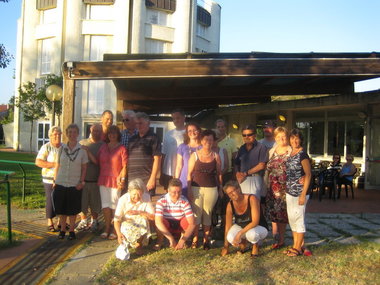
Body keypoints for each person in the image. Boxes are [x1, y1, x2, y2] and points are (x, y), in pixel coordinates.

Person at [187, 129, 223, 250]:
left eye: (211, 139)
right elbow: (189, 174)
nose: (208, 142)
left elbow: (219, 174)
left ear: (213, 141)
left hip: (211, 188)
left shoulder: (216, 156)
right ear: (201, 141)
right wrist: (189, 189)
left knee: (207, 214)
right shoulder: (195, 155)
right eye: (206, 139)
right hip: (196, 188)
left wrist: (221, 188)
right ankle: (195, 238)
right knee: (197, 214)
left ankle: (206, 240)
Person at [53, 124, 88, 240]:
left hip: (74, 183)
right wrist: (55, 180)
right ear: (67, 134)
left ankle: (72, 230)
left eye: (74, 132)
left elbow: (84, 168)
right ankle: (62, 230)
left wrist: (82, 182)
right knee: (62, 209)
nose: (72, 135)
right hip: (61, 182)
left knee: (72, 210)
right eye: (70, 132)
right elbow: (57, 165)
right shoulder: (61, 149)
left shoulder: (82, 151)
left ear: (77, 134)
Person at [221, 181, 268, 257]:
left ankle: (255, 245)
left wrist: (240, 233)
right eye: (229, 193)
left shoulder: (252, 198)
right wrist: (226, 246)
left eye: (233, 191)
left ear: (239, 189)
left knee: (252, 234)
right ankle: (244, 243)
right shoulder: (230, 205)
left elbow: (255, 222)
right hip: (242, 226)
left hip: (258, 226)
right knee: (230, 237)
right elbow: (228, 226)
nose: (232, 194)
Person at [97, 125, 128, 239]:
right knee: (105, 205)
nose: (112, 135)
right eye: (110, 133)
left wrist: (123, 179)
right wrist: (86, 151)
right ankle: (107, 228)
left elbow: (125, 166)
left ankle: (116, 229)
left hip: (116, 180)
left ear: (118, 135)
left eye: (114, 133)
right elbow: (96, 161)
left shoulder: (122, 149)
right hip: (103, 179)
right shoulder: (103, 147)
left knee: (115, 205)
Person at [285, 129, 312, 257]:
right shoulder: (291, 153)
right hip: (289, 192)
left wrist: (303, 194)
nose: (294, 141)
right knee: (292, 220)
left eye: (297, 138)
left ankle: (297, 248)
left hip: (299, 193)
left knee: (299, 219)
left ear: (301, 139)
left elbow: (308, 174)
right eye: (292, 138)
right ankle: (297, 245)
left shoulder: (302, 155)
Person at [265, 127, 291, 249]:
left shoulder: (291, 151)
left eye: (283, 136)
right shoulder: (272, 151)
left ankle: (281, 238)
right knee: (273, 214)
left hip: (284, 188)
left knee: (282, 214)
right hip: (272, 187)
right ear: (275, 138)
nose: (281, 139)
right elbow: (267, 169)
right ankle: (275, 237)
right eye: (278, 137)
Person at [114, 178, 155, 255]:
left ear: (142, 192)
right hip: (127, 223)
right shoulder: (123, 199)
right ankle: (129, 242)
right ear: (129, 192)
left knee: (143, 219)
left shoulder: (146, 197)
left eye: (139, 194)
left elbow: (153, 216)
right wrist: (119, 234)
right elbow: (116, 220)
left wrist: (139, 212)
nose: (136, 197)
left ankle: (139, 244)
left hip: (141, 224)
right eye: (134, 194)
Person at [75, 124, 104, 232]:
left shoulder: (103, 145)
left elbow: (99, 162)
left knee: (94, 202)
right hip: (83, 179)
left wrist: (88, 151)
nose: (96, 133)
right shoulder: (82, 143)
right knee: (82, 202)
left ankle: (94, 221)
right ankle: (83, 221)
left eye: (98, 131)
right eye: (94, 130)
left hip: (96, 179)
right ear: (90, 131)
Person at [155, 178, 195, 250]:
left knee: (188, 220)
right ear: (168, 191)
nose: (177, 195)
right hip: (167, 224)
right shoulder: (161, 200)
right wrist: (171, 239)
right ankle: (160, 241)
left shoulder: (184, 201)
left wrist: (182, 241)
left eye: (179, 192)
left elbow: (192, 224)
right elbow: (158, 222)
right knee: (160, 221)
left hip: (180, 224)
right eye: (174, 192)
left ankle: (183, 240)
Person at [35, 126, 63, 232]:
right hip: (49, 178)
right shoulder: (46, 147)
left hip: (62, 178)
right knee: (50, 200)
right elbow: (38, 162)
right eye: (55, 134)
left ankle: (61, 222)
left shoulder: (64, 147)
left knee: (61, 200)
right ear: (50, 136)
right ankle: (50, 221)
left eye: (59, 134)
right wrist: (53, 164)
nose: (57, 136)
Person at [128, 112, 162, 196]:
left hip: (146, 179)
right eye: (137, 123)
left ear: (148, 123)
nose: (138, 126)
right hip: (131, 179)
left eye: (141, 123)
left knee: (145, 206)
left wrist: (153, 178)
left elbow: (157, 159)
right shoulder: (132, 139)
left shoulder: (154, 137)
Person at [235, 125, 268, 199]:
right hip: (242, 179)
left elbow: (262, 165)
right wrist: (237, 174)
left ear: (255, 135)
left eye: (249, 134)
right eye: (244, 135)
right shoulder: (241, 148)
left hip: (255, 179)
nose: (247, 137)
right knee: (244, 202)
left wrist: (245, 173)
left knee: (254, 203)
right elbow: (237, 163)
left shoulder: (261, 147)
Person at [174, 122, 202, 198]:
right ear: (186, 133)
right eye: (189, 131)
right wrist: (176, 181)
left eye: (194, 130)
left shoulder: (203, 147)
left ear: (199, 131)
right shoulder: (182, 147)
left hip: (199, 180)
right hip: (184, 179)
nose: (192, 132)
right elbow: (179, 166)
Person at [160, 109, 186, 190]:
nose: (175, 120)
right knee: (169, 194)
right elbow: (163, 153)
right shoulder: (168, 134)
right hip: (169, 171)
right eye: (174, 118)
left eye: (178, 118)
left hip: (184, 171)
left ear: (184, 118)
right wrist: (161, 171)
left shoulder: (189, 133)